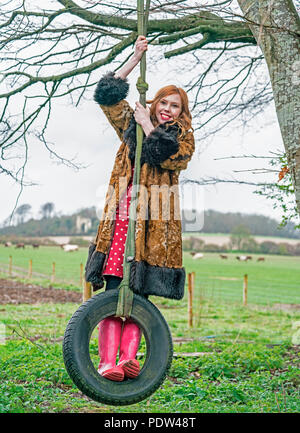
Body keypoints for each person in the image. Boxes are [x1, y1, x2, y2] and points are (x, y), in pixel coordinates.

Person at [85, 36, 195, 381]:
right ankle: (107, 362)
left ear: (181, 112)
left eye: (175, 106)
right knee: (114, 290)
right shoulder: (132, 127)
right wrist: (134, 58)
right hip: (122, 217)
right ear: (156, 101)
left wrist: (150, 124)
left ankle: (130, 359)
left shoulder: (182, 137)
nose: (168, 109)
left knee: (140, 296)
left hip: (152, 226)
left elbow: (170, 155)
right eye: (164, 102)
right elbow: (108, 95)